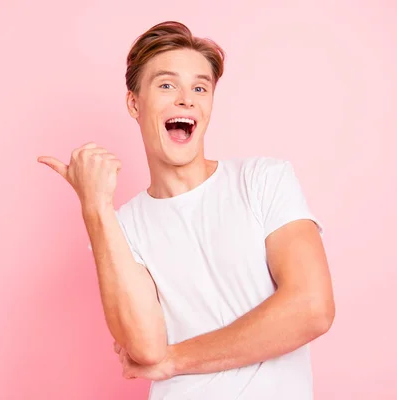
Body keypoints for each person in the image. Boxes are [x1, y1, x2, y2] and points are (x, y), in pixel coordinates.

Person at [38, 20, 335, 400]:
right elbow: (145, 348)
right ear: (134, 103)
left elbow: (312, 308)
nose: (186, 98)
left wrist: (174, 360)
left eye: (199, 87)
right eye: (166, 85)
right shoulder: (120, 227)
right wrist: (94, 207)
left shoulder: (264, 180)